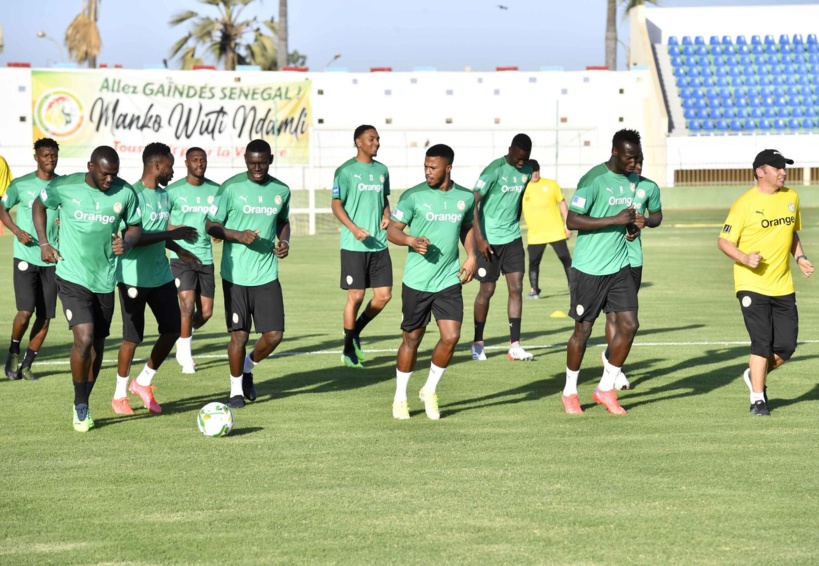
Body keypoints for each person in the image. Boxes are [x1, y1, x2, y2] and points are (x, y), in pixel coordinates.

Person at [33, 146, 142, 432]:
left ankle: (83, 400)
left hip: (105, 279)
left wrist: (127, 242)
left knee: (97, 346)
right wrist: (44, 242)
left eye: (113, 175)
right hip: (71, 275)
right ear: (90, 167)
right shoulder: (65, 186)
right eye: (105, 174)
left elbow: (135, 227)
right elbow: (38, 204)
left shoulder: (126, 192)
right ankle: (80, 405)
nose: (109, 180)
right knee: (84, 337)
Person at [718, 149, 813, 416]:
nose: (783, 171)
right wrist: (744, 257)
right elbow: (724, 242)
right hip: (751, 283)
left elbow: (790, 232)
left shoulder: (791, 197)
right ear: (761, 172)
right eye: (777, 167)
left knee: (786, 346)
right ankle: (758, 399)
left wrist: (801, 257)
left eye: (785, 167)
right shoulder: (744, 203)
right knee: (761, 343)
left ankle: (753, 374)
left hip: (783, 285)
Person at [387, 144, 476, 420]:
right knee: (412, 339)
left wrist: (472, 255)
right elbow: (392, 230)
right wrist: (411, 240)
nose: (428, 172)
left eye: (433, 167)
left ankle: (429, 389)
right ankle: (400, 397)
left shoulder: (465, 197)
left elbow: (468, 228)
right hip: (417, 281)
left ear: (448, 168)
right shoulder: (413, 196)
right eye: (425, 166)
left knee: (451, 336)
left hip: (448, 279)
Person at [111, 143, 200, 416]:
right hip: (133, 277)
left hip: (161, 274)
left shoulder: (163, 196)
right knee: (132, 338)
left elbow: (160, 232)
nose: (173, 171)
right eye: (171, 165)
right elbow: (131, 240)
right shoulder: (132, 195)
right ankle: (119, 396)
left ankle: (143, 381)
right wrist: (173, 236)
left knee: (173, 329)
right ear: (157, 165)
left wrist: (179, 250)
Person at [561, 129, 645, 416]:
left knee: (630, 325)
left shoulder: (633, 181)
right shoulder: (593, 179)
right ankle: (570, 391)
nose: (634, 164)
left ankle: (605, 388)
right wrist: (615, 220)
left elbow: (628, 216)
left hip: (620, 265)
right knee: (582, 332)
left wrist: (630, 228)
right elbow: (572, 220)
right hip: (588, 269)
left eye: (637, 158)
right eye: (629, 158)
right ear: (615, 152)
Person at [205, 139, 291, 410]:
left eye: (262, 163)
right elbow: (210, 225)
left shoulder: (281, 190)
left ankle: (246, 367)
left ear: (270, 160)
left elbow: (282, 221)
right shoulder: (230, 188)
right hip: (236, 275)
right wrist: (236, 235)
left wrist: (285, 241)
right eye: (252, 163)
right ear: (245, 160)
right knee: (239, 336)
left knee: (274, 335)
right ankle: (235, 392)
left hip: (266, 274)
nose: (257, 168)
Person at [331, 125, 392, 368]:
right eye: (371, 139)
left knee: (384, 296)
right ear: (359, 142)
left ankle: (355, 331)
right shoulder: (345, 171)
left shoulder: (382, 170)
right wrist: (354, 229)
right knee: (356, 297)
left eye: (378, 138)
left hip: (379, 244)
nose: (376, 142)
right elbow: (336, 205)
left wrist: (387, 214)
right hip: (354, 246)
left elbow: (384, 199)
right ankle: (347, 350)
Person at [601, 153, 663, 390]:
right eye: (632, 163)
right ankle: (616, 371)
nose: (636, 167)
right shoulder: (611, 186)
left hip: (633, 260)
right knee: (612, 316)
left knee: (626, 317)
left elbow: (657, 215)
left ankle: (610, 359)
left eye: (640, 164)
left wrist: (646, 221)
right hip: (607, 259)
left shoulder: (649, 187)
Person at [471, 133, 535, 361]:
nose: (521, 163)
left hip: (512, 239)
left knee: (516, 288)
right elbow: (473, 202)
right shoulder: (494, 170)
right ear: (510, 149)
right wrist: (479, 238)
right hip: (488, 241)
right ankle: (478, 343)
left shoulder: (527, 171)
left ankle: (515, 345)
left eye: (524, 159)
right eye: (518, 158)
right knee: (486, 291)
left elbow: (516, 203)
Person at [1, 138, 60, 381]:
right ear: (36, 157)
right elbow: (2, 208)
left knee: (44, 316)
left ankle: (26, 365)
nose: (50, 159)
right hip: (25, 258)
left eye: (53, 154)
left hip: (54, 261)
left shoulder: (63, 186)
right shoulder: (21, 184)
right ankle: (14, 351)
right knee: (25, 311)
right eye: (45, 155)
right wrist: (16, 231)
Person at [166, 147, 221, 374]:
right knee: (186, 305)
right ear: (186, 163)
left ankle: (183, 335)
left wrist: (218, 232)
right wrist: (175, 230)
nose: (200, 163)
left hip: (205, 257)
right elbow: (160, 224)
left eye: (203, 160)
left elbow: (219, 219)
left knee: (206, 312)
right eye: (195, 160)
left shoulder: (216, 190)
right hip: (181, 256)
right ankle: (186, 357)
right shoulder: (172, 190)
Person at [521, 159, 572, 299]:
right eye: (532, 171)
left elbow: (562, 204)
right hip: (535, 234)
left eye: (536, 170)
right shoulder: (522, 187)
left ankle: (574, 287)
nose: (535, 174)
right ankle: (534, 290)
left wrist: (568, 225)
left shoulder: (551, 184)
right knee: (533, 262)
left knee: (565, 258)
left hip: (555, 231)